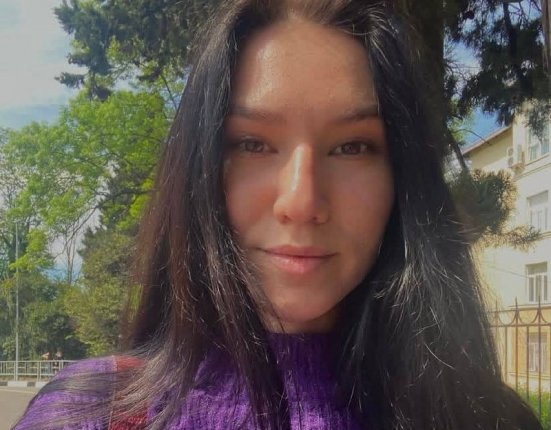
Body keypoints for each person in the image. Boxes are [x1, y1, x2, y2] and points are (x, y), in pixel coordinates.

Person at [14, 0, 543, 429]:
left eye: (353, 147)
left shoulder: (493, 419)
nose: (301, 202)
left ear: (403, 178)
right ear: (199, 168)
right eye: (252, 144)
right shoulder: (90, 414)